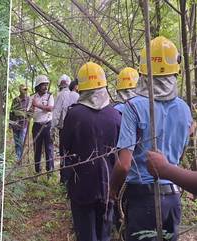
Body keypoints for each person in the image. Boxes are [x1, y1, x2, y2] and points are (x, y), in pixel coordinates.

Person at [109, 36, 193, 241]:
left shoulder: (132, 107)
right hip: (172, 197)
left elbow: (124, 165)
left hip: (141, 199)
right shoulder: (184, 109)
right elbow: (179, 153)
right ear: (176, 70)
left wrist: (112, 189)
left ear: (143, 71)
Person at [61, 62, 121, 241]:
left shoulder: (73, 115)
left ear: (81, 88)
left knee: (86, 235)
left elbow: (65, 147)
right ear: (104, 85)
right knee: (104, 234)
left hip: (81, 187)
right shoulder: (116, 115)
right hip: (109, 186)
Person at [52, 74, 79, 183]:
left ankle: (64, 179)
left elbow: (56, 113)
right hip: (75, 130)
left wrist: (52, 128)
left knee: (64, 154)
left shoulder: (61, 95)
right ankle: (70, 180)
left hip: (64, 130)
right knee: (72, 154)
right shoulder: (77, 96)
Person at [28, 75, 55, 173]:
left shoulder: (49, 96)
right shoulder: (32, 97)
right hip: (36, 125)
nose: (45, 87)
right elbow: (29, 112)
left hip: (48, 125)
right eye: (43, 85)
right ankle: (37, 170)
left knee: (49, 148)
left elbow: (50, 108)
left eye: (46, 84)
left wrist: (38, 105)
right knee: (37, 148)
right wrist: (31, 108)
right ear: (38, 86)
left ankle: (50, 170)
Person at [9, 84, 29, 162]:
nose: (25, 91)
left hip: (23, 125)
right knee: (17, 142)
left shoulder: (28, 100)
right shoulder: (15, 100)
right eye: (23, 89)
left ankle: (19, 159)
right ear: (20, 90)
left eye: (26, 89)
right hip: (15, 125)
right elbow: (11, 112)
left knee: (21, 142)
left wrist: (26, 114)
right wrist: (10, 125)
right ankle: (18, 158)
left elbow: (30, 112)